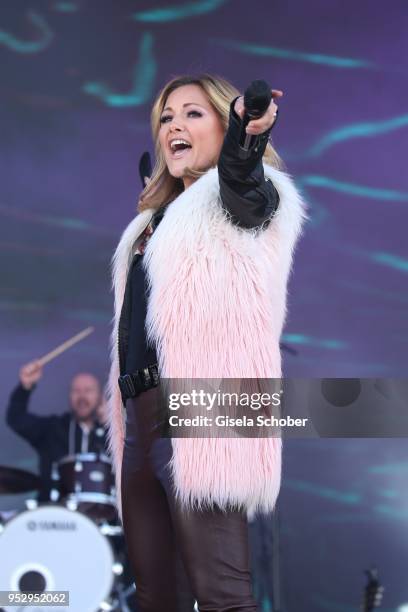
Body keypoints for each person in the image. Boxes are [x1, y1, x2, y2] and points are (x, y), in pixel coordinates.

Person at [107, 73, 307, 611]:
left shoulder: (246, 199)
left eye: (193, 113)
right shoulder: (156, 223)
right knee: (155, 598)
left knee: (222, 597)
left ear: (226, 123)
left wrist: (247, 140)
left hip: (201, 410)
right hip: (140, 420)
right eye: (167, 117)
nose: (174, 124)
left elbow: (242, 184)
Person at [6, 360, 108, 501]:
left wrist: (112, 424)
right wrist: (25, 387)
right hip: (53, 514)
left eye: (88, 390)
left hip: (99, 516)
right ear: (69, 396)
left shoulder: (110, 434)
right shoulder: (53, 428)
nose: (82, 396)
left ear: (100, 397)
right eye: (76, 390)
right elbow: (16, 419)